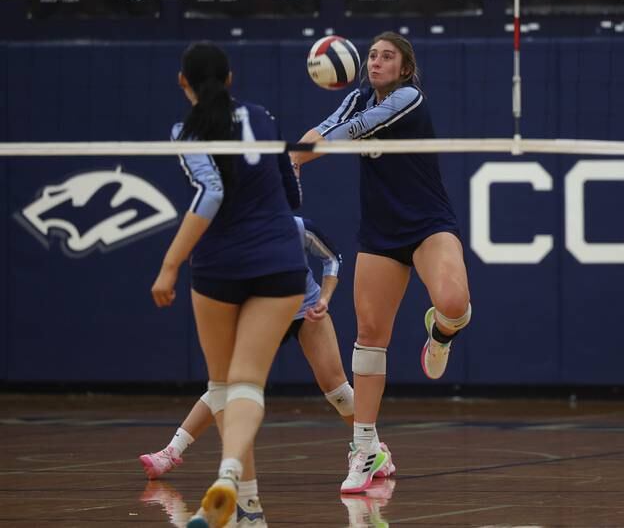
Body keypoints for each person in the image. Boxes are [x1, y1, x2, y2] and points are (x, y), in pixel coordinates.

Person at [290, 31, 472, 494]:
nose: (375, 62)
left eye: (387, 57)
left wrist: (312, 150)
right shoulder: (355, 99)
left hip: (428, 223)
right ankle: (366, 449)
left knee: (454, 304)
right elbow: (323, 129)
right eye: (371, 55)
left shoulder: (408, 98)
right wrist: (290, 161)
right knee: (370, 337)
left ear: (404, 68)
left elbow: (349, 132)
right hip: (381, 232)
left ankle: (440, 333)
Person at [152, 41, 307, 528]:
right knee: (246, 383)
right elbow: (290, 189)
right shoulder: (263, 116)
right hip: (280, 260)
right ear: (231, 78)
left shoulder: (187, 129)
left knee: (223, 384)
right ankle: (240, 493)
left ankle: (239, 490)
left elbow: (211, 191)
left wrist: (170, 264)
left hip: (219, 266)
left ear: (184, 83)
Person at [140, 216, 397, 482]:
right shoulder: (234, 232)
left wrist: (324, 298)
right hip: (265, 314)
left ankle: (373, 450)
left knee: (337, 391)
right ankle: (170, 452)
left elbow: (332, 259)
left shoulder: (298, 227)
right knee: (227, 384)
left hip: (306, 311)